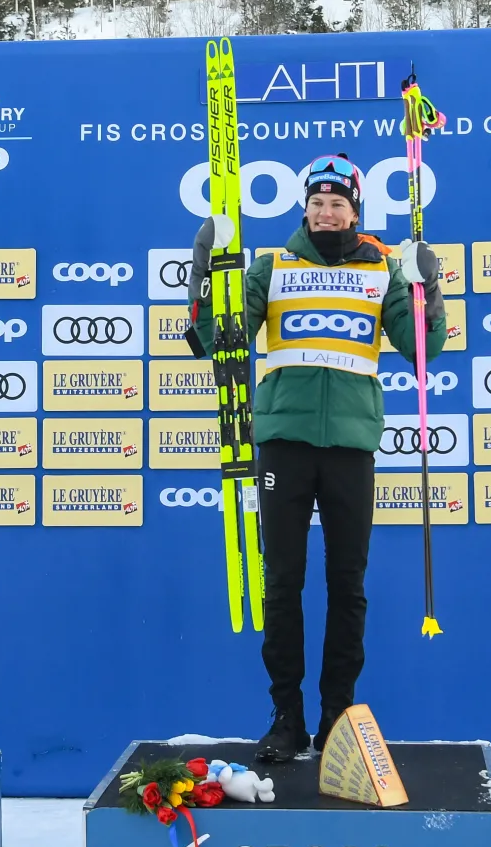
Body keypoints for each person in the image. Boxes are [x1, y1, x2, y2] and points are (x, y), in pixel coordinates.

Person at [185, 153, 447, 762]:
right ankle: (286, 715)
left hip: (352, 444)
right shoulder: (271, 266)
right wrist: (203, 269)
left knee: (347, 583)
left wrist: (427, 287)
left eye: (339, 204)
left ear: (355, 210)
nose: (326, 213)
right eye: (317, 202)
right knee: (283, 582)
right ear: (304, 207)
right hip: (283, 440)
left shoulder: (382, 268)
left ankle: (337, 717)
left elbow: (424, 350)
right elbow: (210, 339)